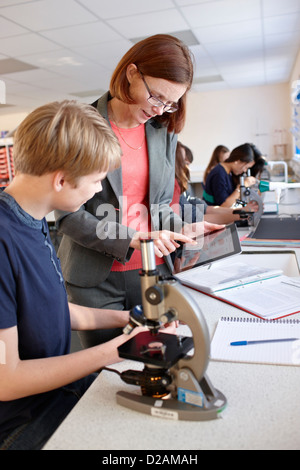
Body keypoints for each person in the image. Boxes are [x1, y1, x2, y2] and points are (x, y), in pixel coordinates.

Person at [0, 100, 158, 451]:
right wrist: (116, 351)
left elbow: (52, 310)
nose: (96, 191)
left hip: (57, 394)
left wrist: (128, 320)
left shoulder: (35, 218)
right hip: (22, 422)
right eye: (97, 181)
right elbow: (5, 380)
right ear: (61, 180)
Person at [55, 34, 222, 349]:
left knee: (155, 357)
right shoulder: (81, 125)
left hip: (152, 271)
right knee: (106, 370)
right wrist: (130, 237)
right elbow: (68, 215)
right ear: (131, 73)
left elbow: (158, 205)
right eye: (157, 96)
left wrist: (182, 228)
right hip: (94, 280)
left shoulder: (163, 130)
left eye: (170, 102)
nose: (161, 110)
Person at [171, 141, 248, 225]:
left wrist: (239, 212)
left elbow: (204, 209)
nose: (245, 170)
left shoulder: (227, 174)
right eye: (185, 163)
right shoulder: (219, 173)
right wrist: (241, 214)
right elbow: (224, 205)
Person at [203, 143, 257, 208]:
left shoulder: (228, 172)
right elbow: (223, 206)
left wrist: (246, 204)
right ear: (237, 161)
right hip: (213, 215)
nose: (245, 171)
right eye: (245, 167)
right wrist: (241, 187)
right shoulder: (219, 174)